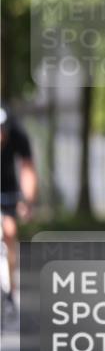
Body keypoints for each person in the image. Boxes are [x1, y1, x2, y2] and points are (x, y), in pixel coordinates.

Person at [0, 106, 38, 317]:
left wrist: (27, 201)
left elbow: (27, 169)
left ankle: (11, 290)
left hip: (8, 191)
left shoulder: (17, 133)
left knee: (10, 232)